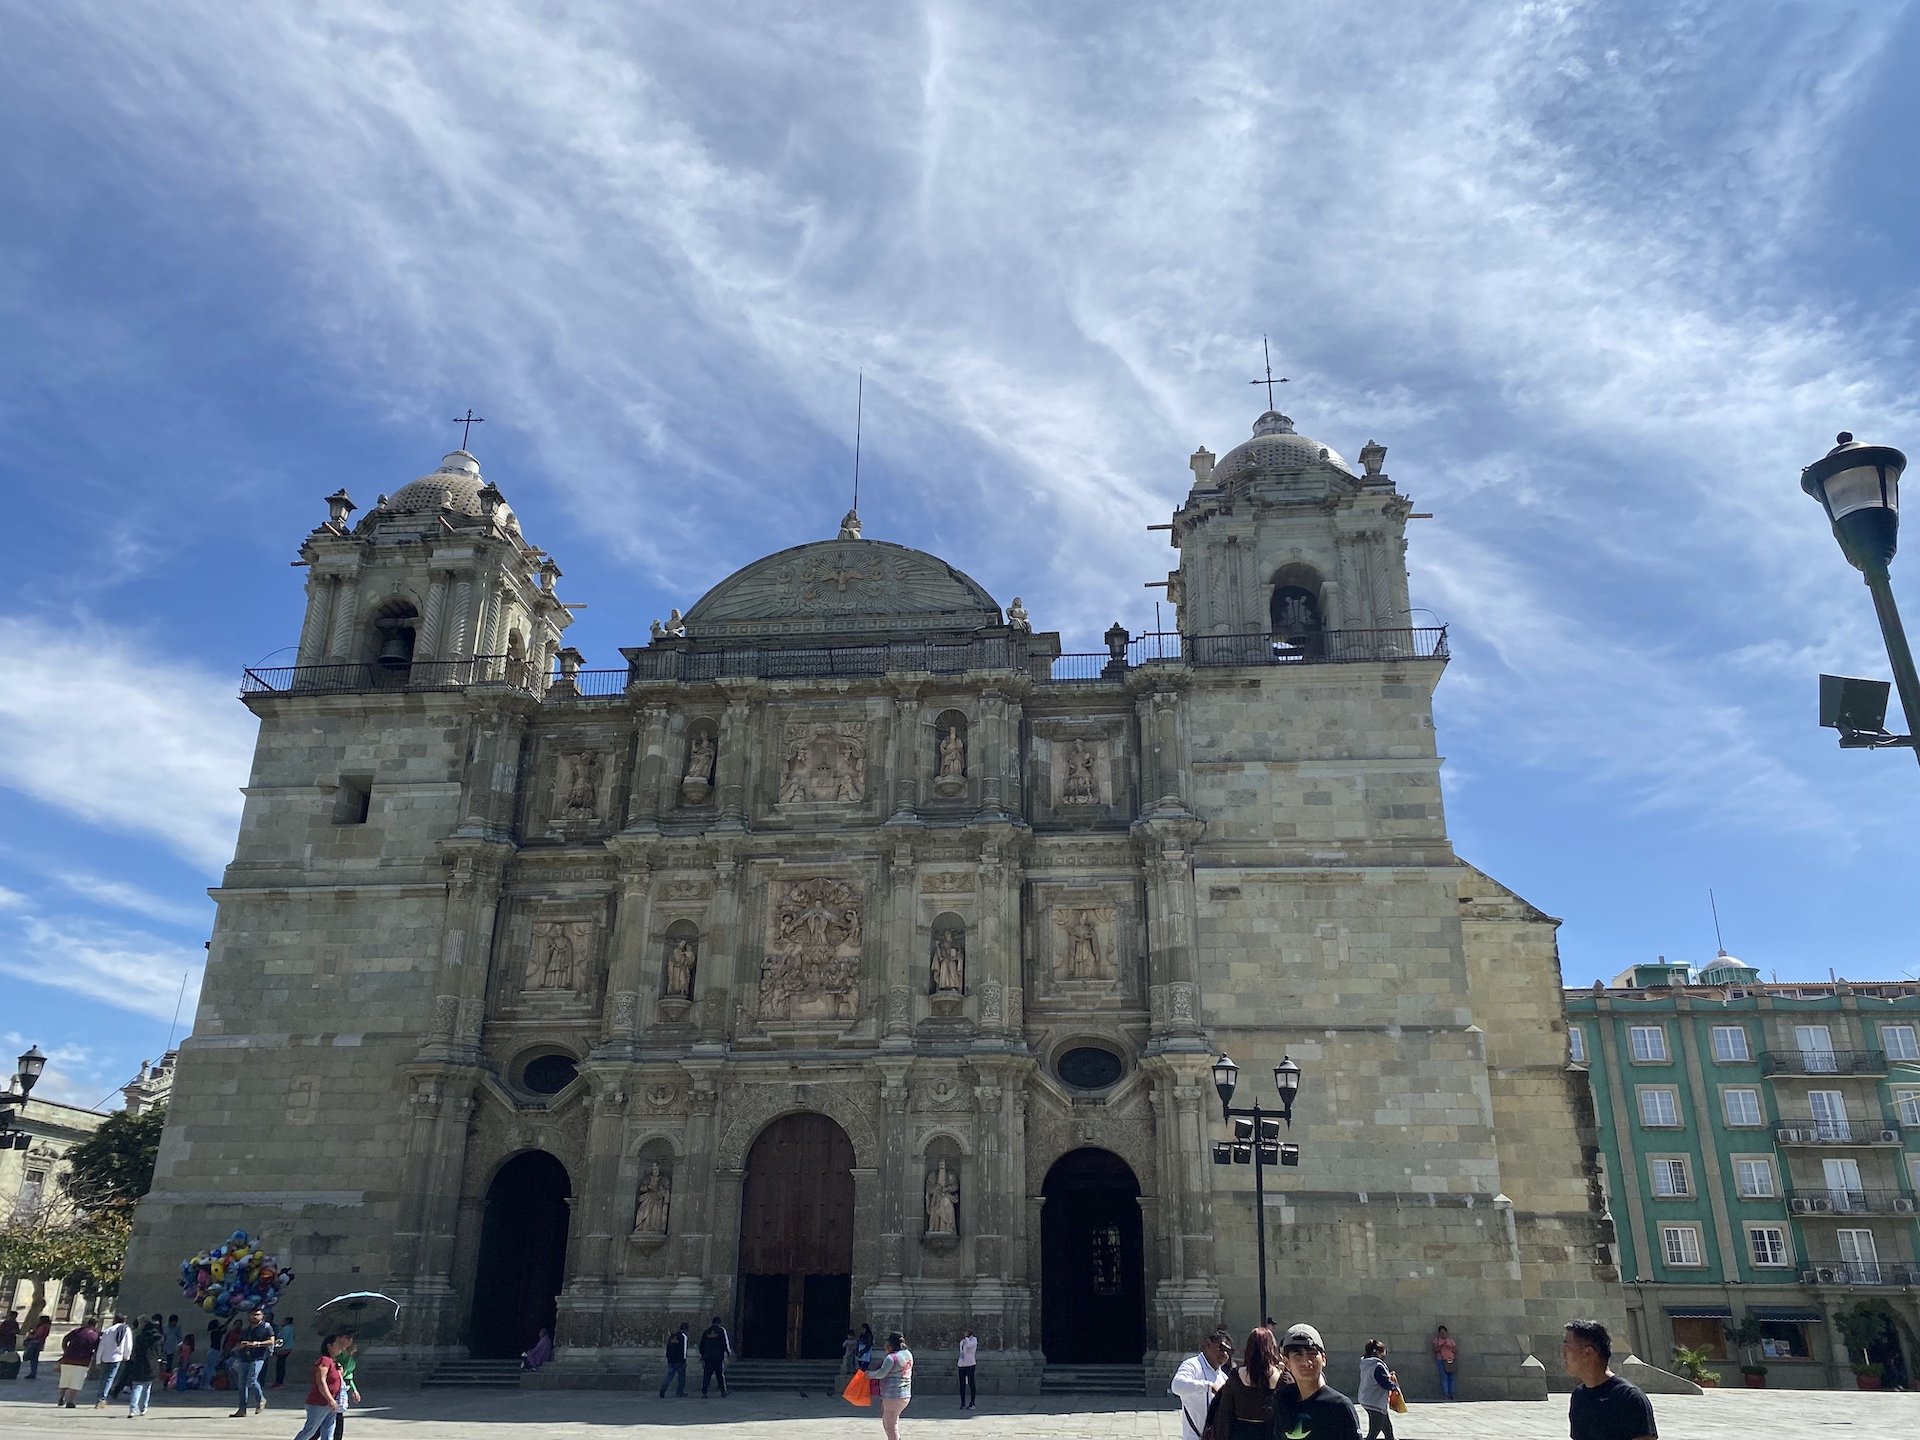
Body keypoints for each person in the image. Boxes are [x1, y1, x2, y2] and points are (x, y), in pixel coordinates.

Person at [1563, 1319, 1657, 1440]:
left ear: (1588, 1353)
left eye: (1567, 1347)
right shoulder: (1579, 1396)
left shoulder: (1630, 1398)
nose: (1562, 1353)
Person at [1273, 1323, 1362, 1440]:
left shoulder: (1339, 1406)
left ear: (1323, 1359)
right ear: (1287, 1363)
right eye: (1297, 1355)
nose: (1306, 1362)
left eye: (1312, 1354)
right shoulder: (1283, 1399)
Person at [1169, 1327, 1233, 1440]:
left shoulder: (1223, 1377)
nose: (1224, 1354)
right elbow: (1176, 1385)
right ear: (1208, 1345)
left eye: (1228, 1351)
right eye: (1221, 1348)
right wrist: (1207, 1386)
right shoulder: (1192, 1365)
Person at [289, 1335, 346, 1440]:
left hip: (331, 1404)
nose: (341, 1346)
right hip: (319, 1403)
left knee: (328, 1433)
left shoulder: (334, 1362)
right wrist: (330, 1399)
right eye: (337, 1344)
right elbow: (321, 1381)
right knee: (309, 1431)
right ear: (329, 1346)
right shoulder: (324, 1361)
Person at [230, 1305, 276, 1415]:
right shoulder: (246, 1330)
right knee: (241, 1385)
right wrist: (239, 1346)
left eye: (257, 1314)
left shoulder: (266, 1327)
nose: (255, 1317)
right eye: (252, 1315)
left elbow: (272, 1341)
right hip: (244, 1357)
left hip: (258, 1357)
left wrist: (258, 1344)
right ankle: (242, 1409)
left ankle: (261, 1399)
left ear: (262, 1316)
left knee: (252, 1379)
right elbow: (239, 1342)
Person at [868, 1330, 913, 1440]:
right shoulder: (908, 1354)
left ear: (890, 1344)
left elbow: (881, 1373)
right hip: (905, 1394)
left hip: (892, 1394)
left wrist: (869, 1375)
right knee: (892, 1420)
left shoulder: (891, 1358)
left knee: (890, 1424)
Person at [1356, 1339, 1397, 1440]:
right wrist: (1394, 1386)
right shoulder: (1377, 1365)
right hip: (1375, 1402)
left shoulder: (1366, 1363)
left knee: (1387, 1428)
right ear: (1378, 1352)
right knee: (1374, 1432)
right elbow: (1384, 1382)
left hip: (1368, 1399)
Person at [56, 1316, 100, 1409]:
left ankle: (61, 1398)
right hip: (82, 1361)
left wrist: (65, 1350)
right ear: (95, 1325)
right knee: (76, 1382)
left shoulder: (77, 1331)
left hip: (68, 1359)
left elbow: (65, 1339)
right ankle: (70, 1401)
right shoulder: (95, 1336)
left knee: (65, 1379)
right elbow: (97, 1350)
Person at [124, 1317, 163, 1417]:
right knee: (147, 1388)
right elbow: (159, 1353)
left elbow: (135, 1351)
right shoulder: (157, 1339)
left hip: (139, 1364)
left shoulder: (139, 1338)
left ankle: (132, 1409)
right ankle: (143, 1408)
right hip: (151, 1365)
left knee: (137, 1387)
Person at [96, 1312, 133, 1407]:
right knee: (110, 1378)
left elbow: (101, 1346)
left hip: (105, 1357)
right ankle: (102, 1398)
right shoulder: (126, 1329)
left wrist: (98, 1360)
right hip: (117, 1357)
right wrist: (127, 1356)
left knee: (103, 1378)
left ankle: (100, 1396)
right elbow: (128, 1345)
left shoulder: (108, 1330)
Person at [330, 1333, 360, 1440]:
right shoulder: (340, 1355)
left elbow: (349, 1376)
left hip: (342, 1387)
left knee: (338, 1416)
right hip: (335, 1387)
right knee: (330, 1417)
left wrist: (354, 1390)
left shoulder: (351, 1359)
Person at [697, 1316, 731, 1396]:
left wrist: (703, 1355)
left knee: (707, 1375)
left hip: (708, 1357)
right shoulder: (721, 1330)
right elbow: (725, 1342)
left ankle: (704, 1392)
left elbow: (702, 1345)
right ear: (719, 1323)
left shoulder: (706, 1331)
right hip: (718, 1357)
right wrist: (728, 1352)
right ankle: (723, 1391)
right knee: (720, 1375)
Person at [658, 1323, 689, 1398]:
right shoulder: (683, 1337)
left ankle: (662, 1390)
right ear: (686, 1329)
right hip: (679, 1361)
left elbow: (668, 1347)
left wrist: (668, 1357)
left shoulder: (672, 1336)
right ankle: (679, 1392)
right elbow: (683, 1350)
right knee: (681, 1377)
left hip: (671, 1360)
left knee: (669, 1376)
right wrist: (684, 1360)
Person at [1430, 1324, 1457, 1400]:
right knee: (1444, 1377)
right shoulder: (1436, 1340)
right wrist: (1441, 1346)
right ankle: (1446, 1393)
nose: (1443, 1334)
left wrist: (1450, 1347)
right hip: (1441, 1360)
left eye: (1444, 1332)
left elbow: (1455, 1350)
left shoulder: (1450, 1340)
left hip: (1450, 1360)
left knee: (1451, 1377)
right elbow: (1434, 1350)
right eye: (1441, 1333)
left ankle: (1452, 1393)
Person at [24, 1313, 53, 1380]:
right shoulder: (47, 1327)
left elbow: (37, 1336)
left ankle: (33, 1373)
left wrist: (29, 1336)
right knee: (35, 1359)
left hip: (35, 1343)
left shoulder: (42, 1327)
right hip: (40, 1343)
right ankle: (33, 1372)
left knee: (33, 1358)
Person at [956, 1328, 978, 1409]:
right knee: (962, 1384)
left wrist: (966, 1338)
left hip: (970, 1364)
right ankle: (963, 1402)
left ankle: (972, 1403)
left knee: (971, 1383)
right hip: (962, 1364)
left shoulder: (973, 1340)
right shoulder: (962, 1341)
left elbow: (969, 1346)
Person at [272, 1315, 296, 1389]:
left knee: (280, 1366)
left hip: (283, 1349)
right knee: (280, 1366)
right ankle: (279, 1381)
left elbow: (282, 1340)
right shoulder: (291, 1329)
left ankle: (279, 1382)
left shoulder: (286, 1329)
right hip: (286, 1348)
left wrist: (275, 1347)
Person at [161, 1316, 184, 1386]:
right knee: (162, 1366)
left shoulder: (177, 1328)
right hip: (163, 1350)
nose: (174, 1325)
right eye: (173, 1323)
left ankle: (166, 1382)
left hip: (171, 1350)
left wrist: (180, 1347)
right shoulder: (164, 1327)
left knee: (169, 1366)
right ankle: (161, 1379)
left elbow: (180, 1338)